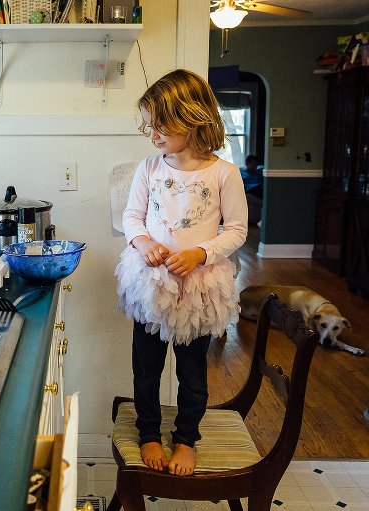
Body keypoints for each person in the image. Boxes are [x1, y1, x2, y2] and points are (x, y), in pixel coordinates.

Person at [115, 69, 248, 476]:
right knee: (146, 365)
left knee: (192, 372)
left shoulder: (223, 173)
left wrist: (200, 254)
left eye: (161, 126)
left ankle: (187, 438)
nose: (153, 135)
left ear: (192, 119)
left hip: (199, 287)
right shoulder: (150, 168)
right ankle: (149, 433)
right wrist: (144, 243)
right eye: (150, 127)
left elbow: (237, 230)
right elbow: (132, 217)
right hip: (152, 284)